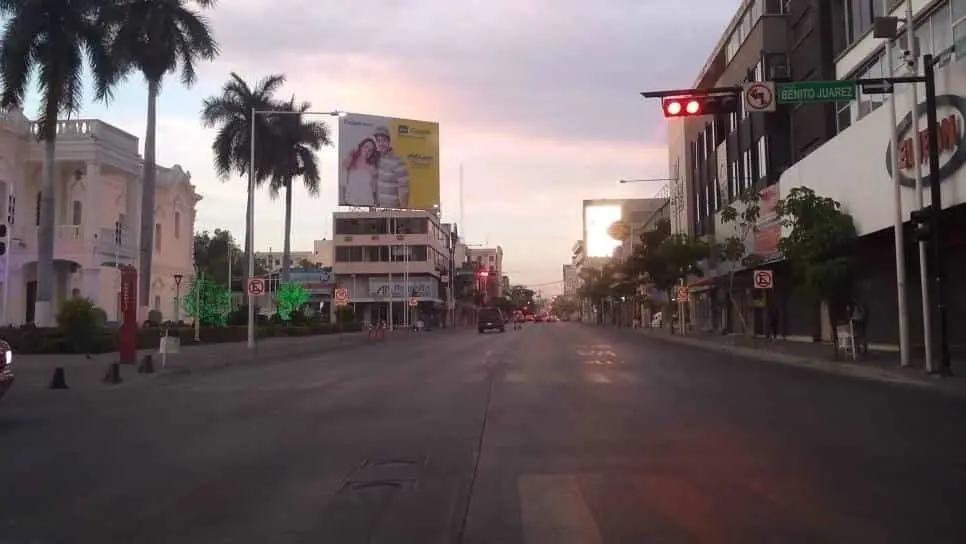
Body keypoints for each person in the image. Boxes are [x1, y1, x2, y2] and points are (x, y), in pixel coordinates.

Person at [372, 126, 409, 208]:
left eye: (384, 140)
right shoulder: (374, 160)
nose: (381, 143)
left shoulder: (398, 162)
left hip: (392, 212)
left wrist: (402, 213)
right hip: (375, 211)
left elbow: (404, 189)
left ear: (389, 142)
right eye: (378, 140)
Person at [342, 138, 378, 206]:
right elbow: (343, 182)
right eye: (366, 147)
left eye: (370, 150)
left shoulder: (372, 168)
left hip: (367, 204)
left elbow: (373, 189)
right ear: (361, 147)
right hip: (351, 203)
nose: (367, 150)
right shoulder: (350, 161)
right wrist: (350, 155)